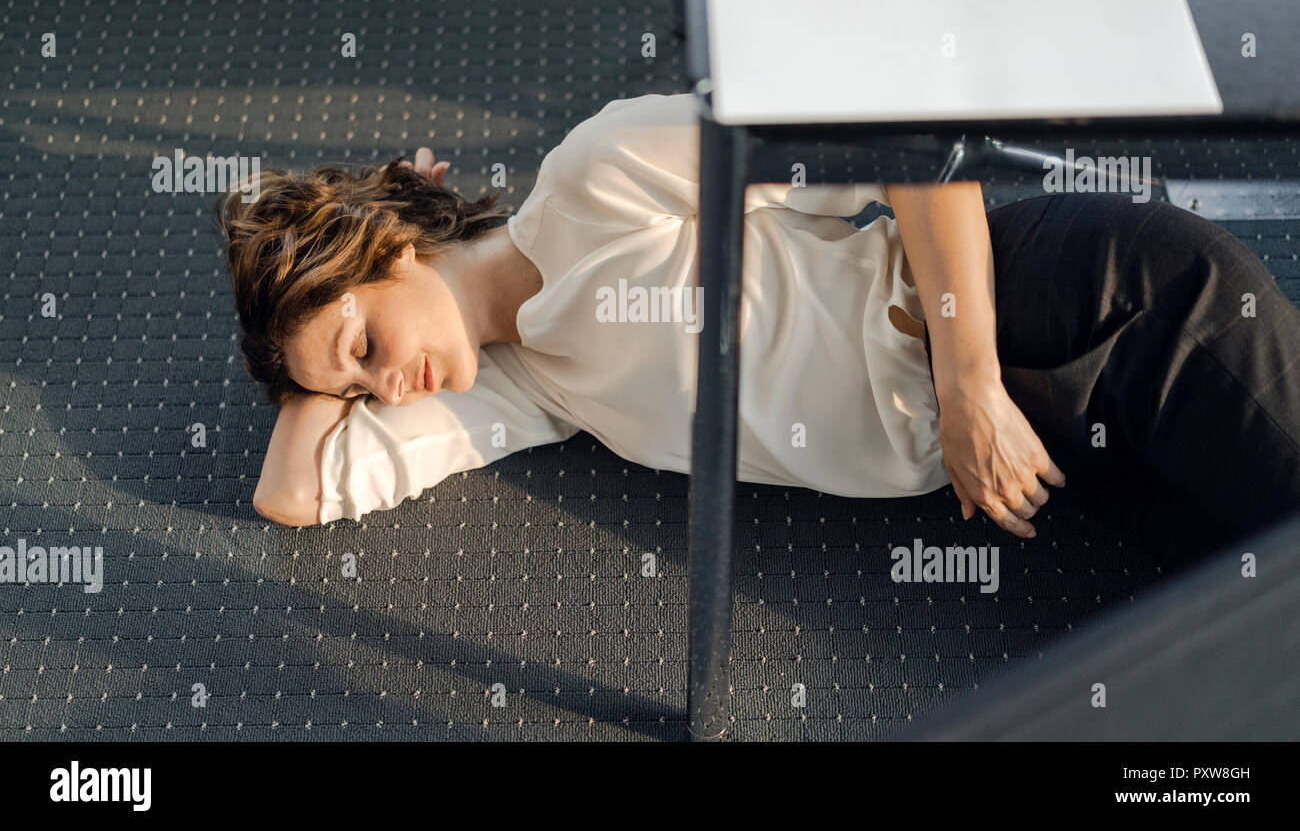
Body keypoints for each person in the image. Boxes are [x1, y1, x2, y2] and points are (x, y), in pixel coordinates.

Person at [214, 93, 1300, 564]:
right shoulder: (524, 389)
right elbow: (295, 497)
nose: (385, 392)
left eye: (365, 354)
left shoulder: (599, 174)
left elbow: (913, 152)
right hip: (1054, 457)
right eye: (355, 395)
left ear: (388, 242)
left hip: (1096, 305)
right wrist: (308, 372)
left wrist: (969, 388)